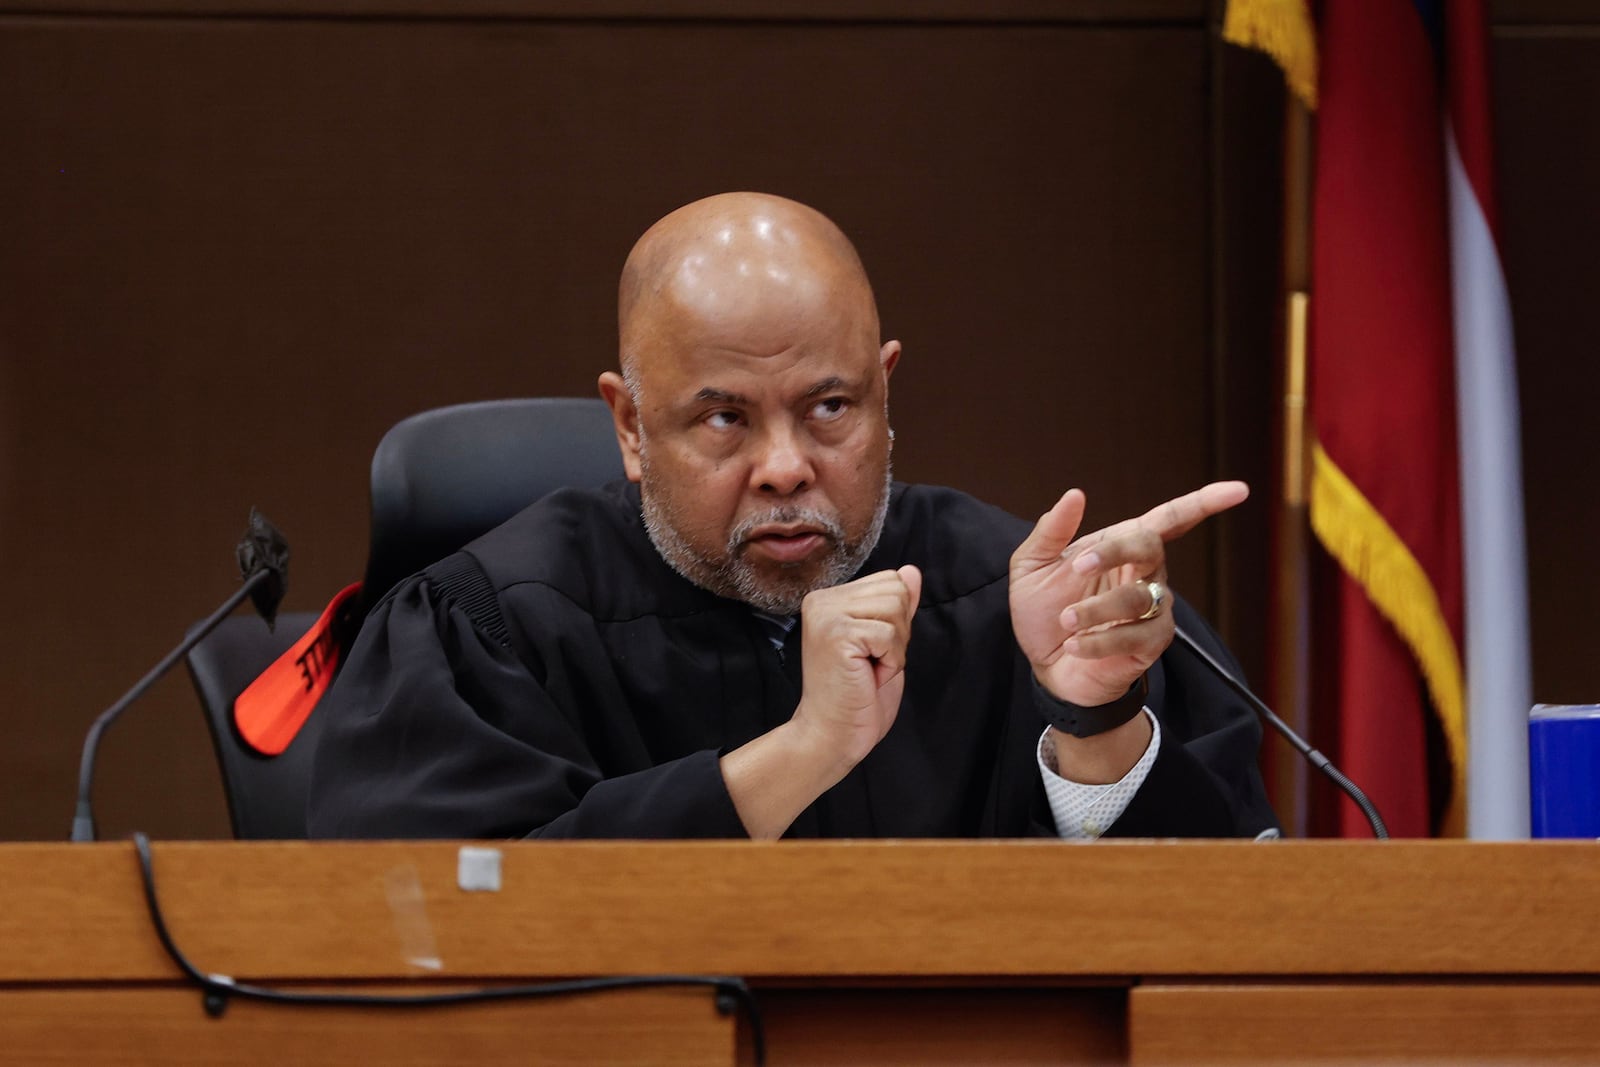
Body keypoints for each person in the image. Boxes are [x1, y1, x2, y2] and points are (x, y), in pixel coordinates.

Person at [307, 192, 1278, 840]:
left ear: (884, 393)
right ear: (631, 425)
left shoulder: (1032, 603)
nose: (784, 467)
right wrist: (805, 748)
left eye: (828, 408)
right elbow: (431, 926)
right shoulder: (489, 629)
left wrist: (1094, 714)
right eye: (723, 417)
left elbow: (1239, 933)